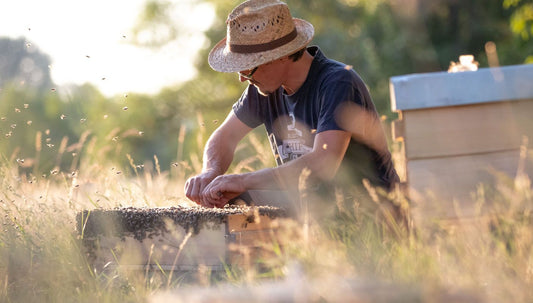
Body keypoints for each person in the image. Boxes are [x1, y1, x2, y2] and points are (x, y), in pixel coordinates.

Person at [184, 0, 399, 215]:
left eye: (248, 68)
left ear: (281, 55)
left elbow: (324, 162)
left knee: (241, 193)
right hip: (315, 213)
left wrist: (244, 180)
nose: (242, 78)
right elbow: (224, 137)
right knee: (230, 203)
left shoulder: (338, 82)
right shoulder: (262, 88)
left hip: (370, 217)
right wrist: (210, 173)